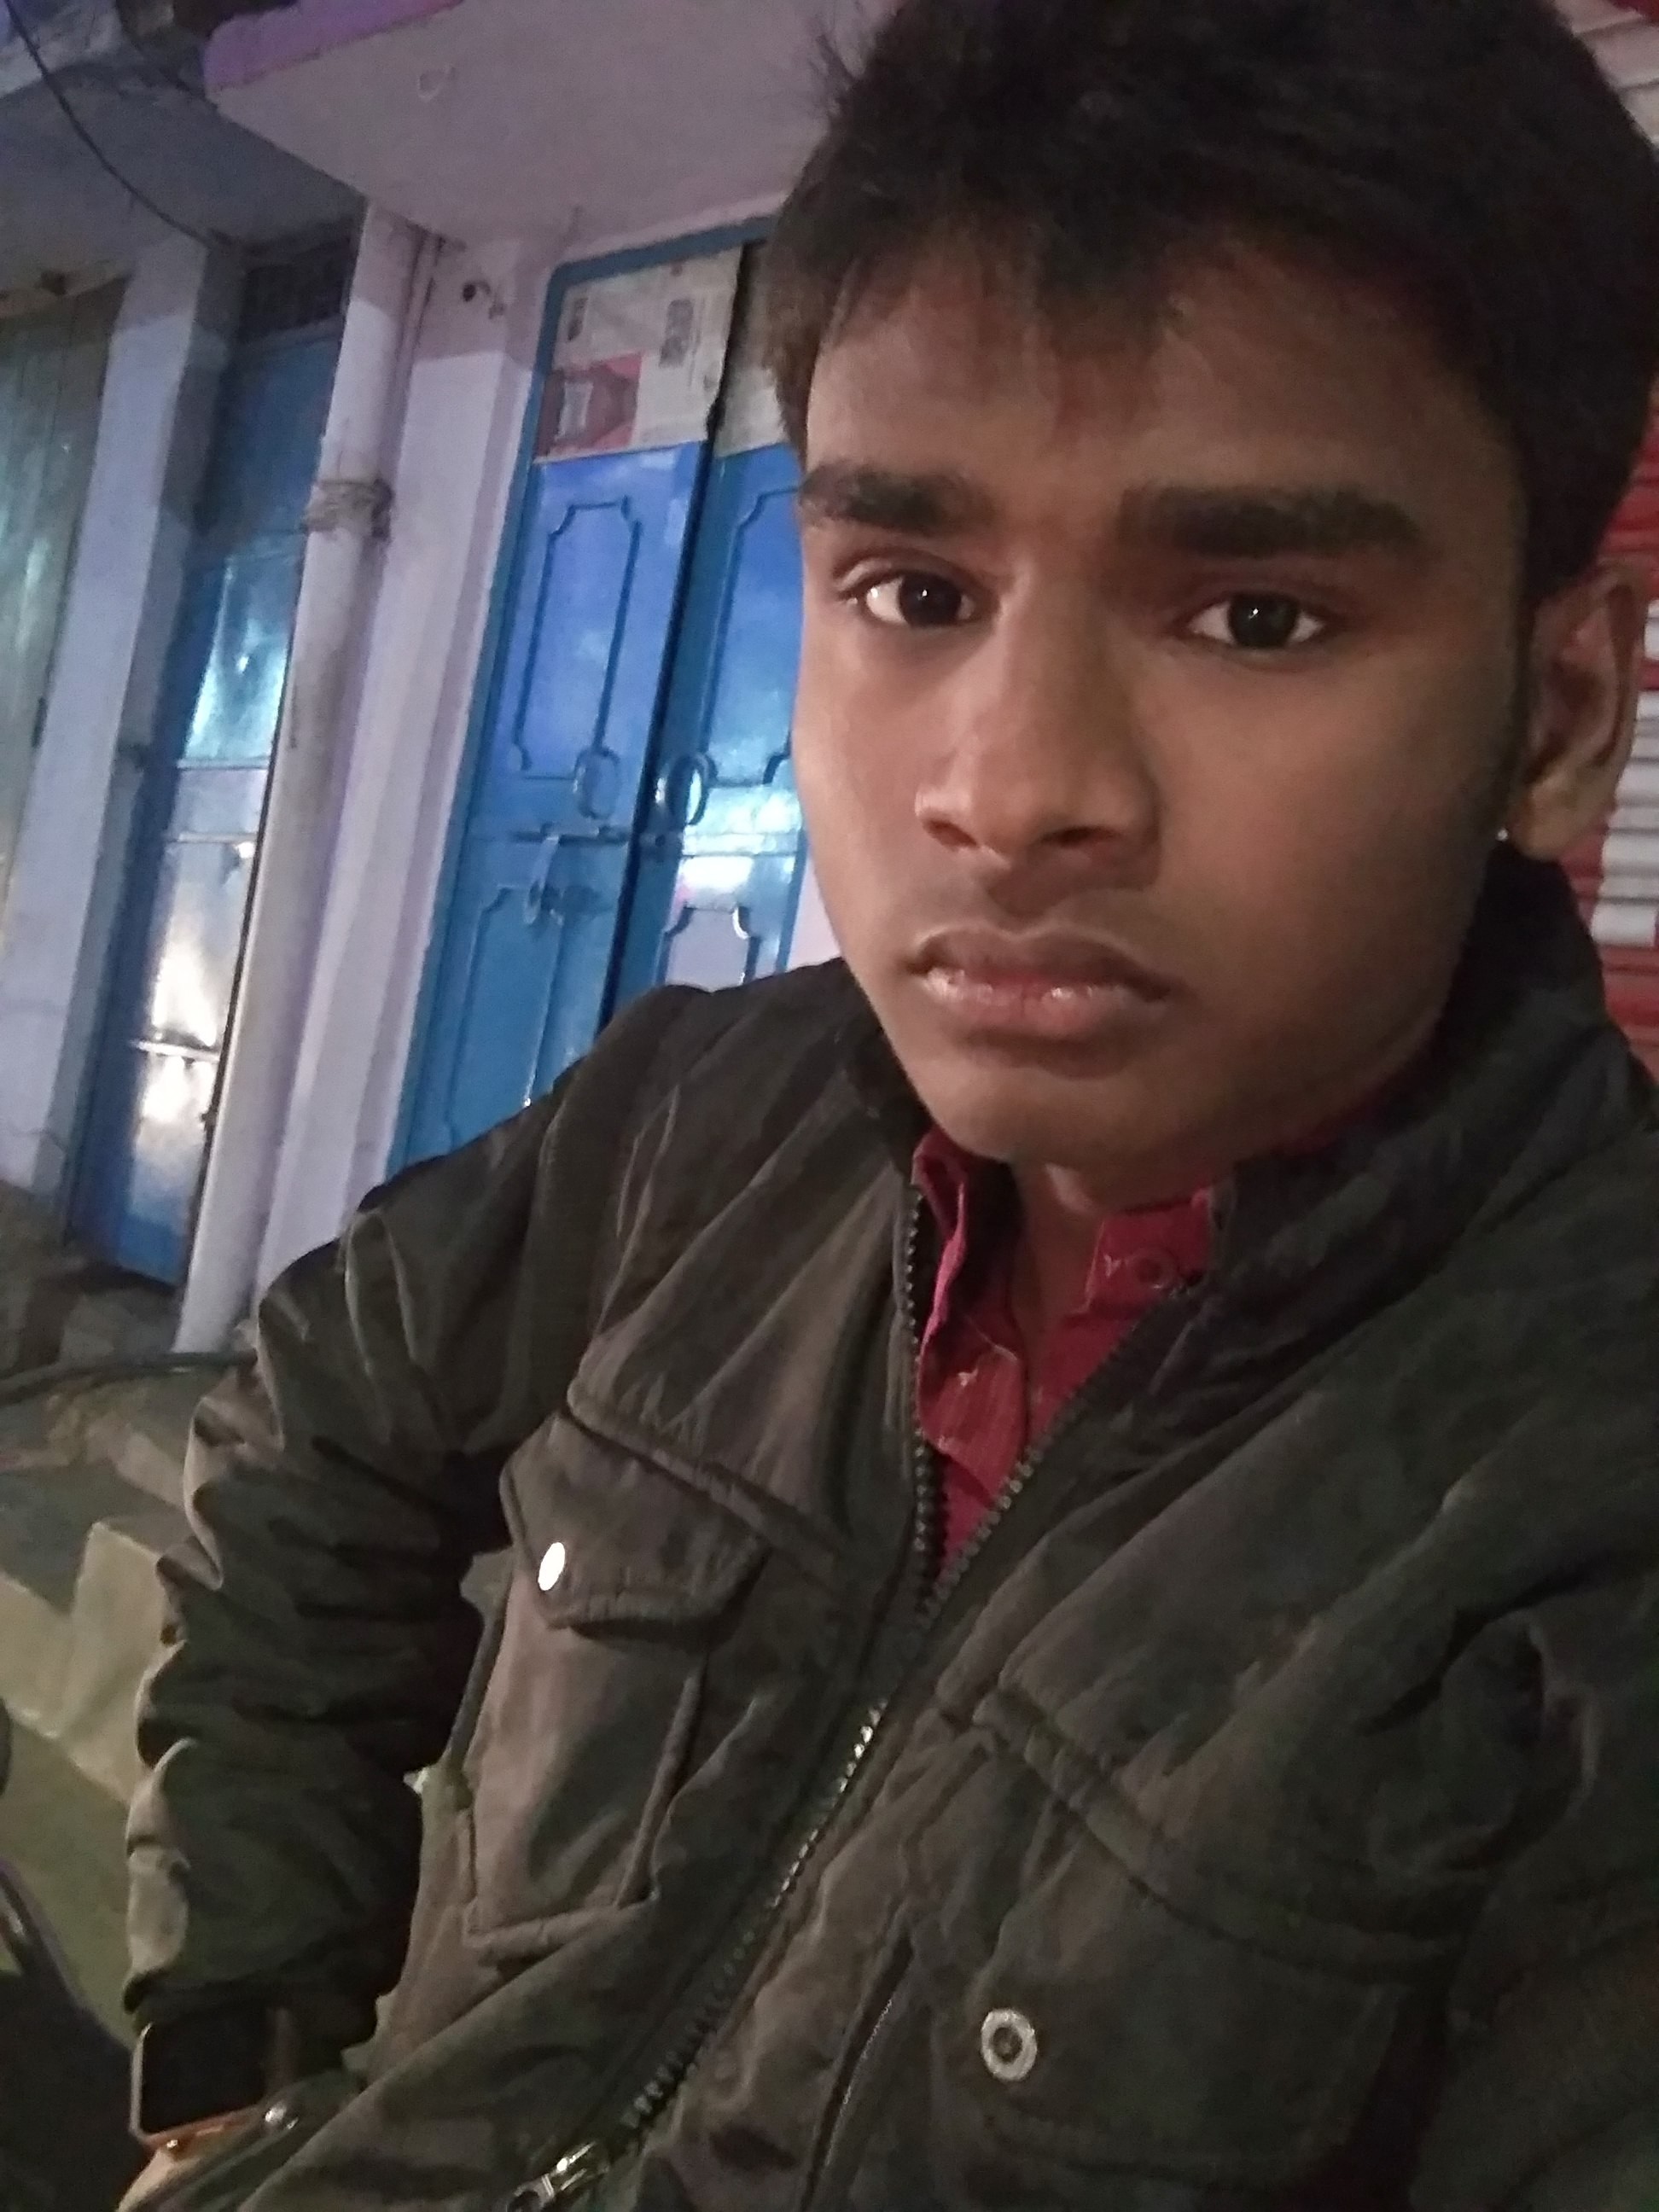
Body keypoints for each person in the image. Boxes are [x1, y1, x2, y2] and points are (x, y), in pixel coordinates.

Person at [119, 0, 1659, 2204]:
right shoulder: (715, 1115)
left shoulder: (1588, 1531)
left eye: (1256, 615)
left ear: (1562, 715)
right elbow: (314, 1434)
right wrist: (240, 2051)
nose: (1011, 793)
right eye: (916, 591)